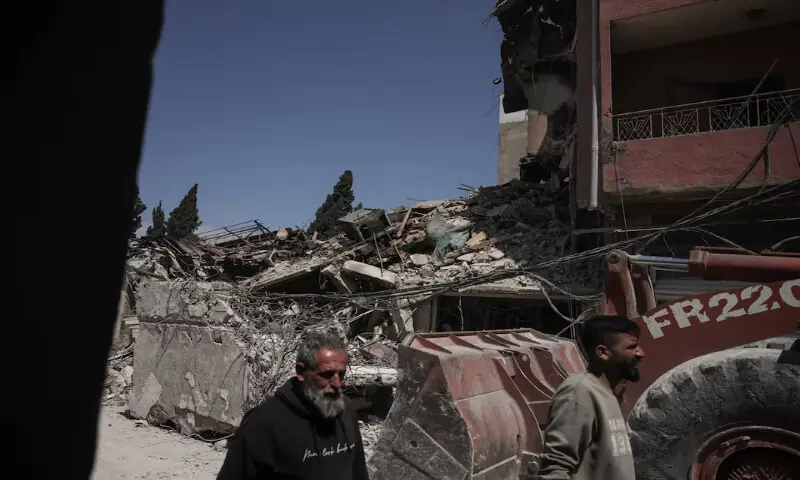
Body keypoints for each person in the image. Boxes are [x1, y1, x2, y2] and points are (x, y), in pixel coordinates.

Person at [217, 331, 370, 480]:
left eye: (341, 375)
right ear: (301, 372)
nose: (337, 383)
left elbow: (359, 473)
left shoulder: (346, 413)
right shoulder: (263, 423)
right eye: (326, 374)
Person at [536, 315, 645, 480]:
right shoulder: (579, 391)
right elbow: (556, 469)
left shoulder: (607, 393)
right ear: (603, 352)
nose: (641, 353)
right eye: (632, 347)